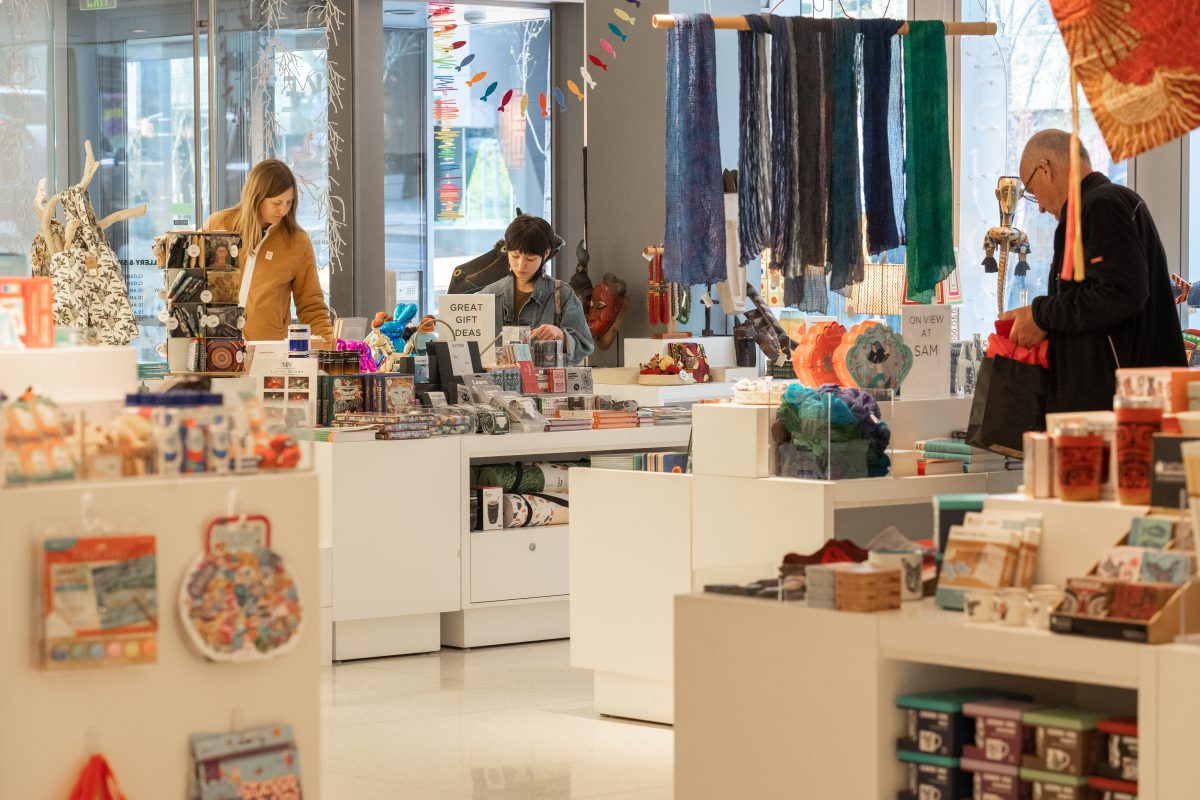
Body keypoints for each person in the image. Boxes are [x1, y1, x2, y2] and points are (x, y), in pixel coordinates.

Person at [1001, 130, 1185, 413]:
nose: (1040, 207)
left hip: (1121, 410)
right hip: (1122, 403)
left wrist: (1041, 315)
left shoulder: (1102, 206)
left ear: (1045, 169)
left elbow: (1121, 293)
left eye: (1033, 192)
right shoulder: (1104, 205)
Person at [206, 159, 333, 341]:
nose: (283, 210)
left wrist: (328, 349)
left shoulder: (297, 242)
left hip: (268, 354)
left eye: (289, 203)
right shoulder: (218, 225)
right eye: (277, 202)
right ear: (257, 197)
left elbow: (311, 306)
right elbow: (192, 278)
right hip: (217, 346)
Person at [482, 215, 595, 365]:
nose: (521, 265)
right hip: (496, 385)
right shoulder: (488, 295)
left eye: (530, 259)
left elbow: (585, 346)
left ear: (546, 253)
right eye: (515, 256)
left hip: (547, 386)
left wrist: (561, 335)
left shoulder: (562, 294)